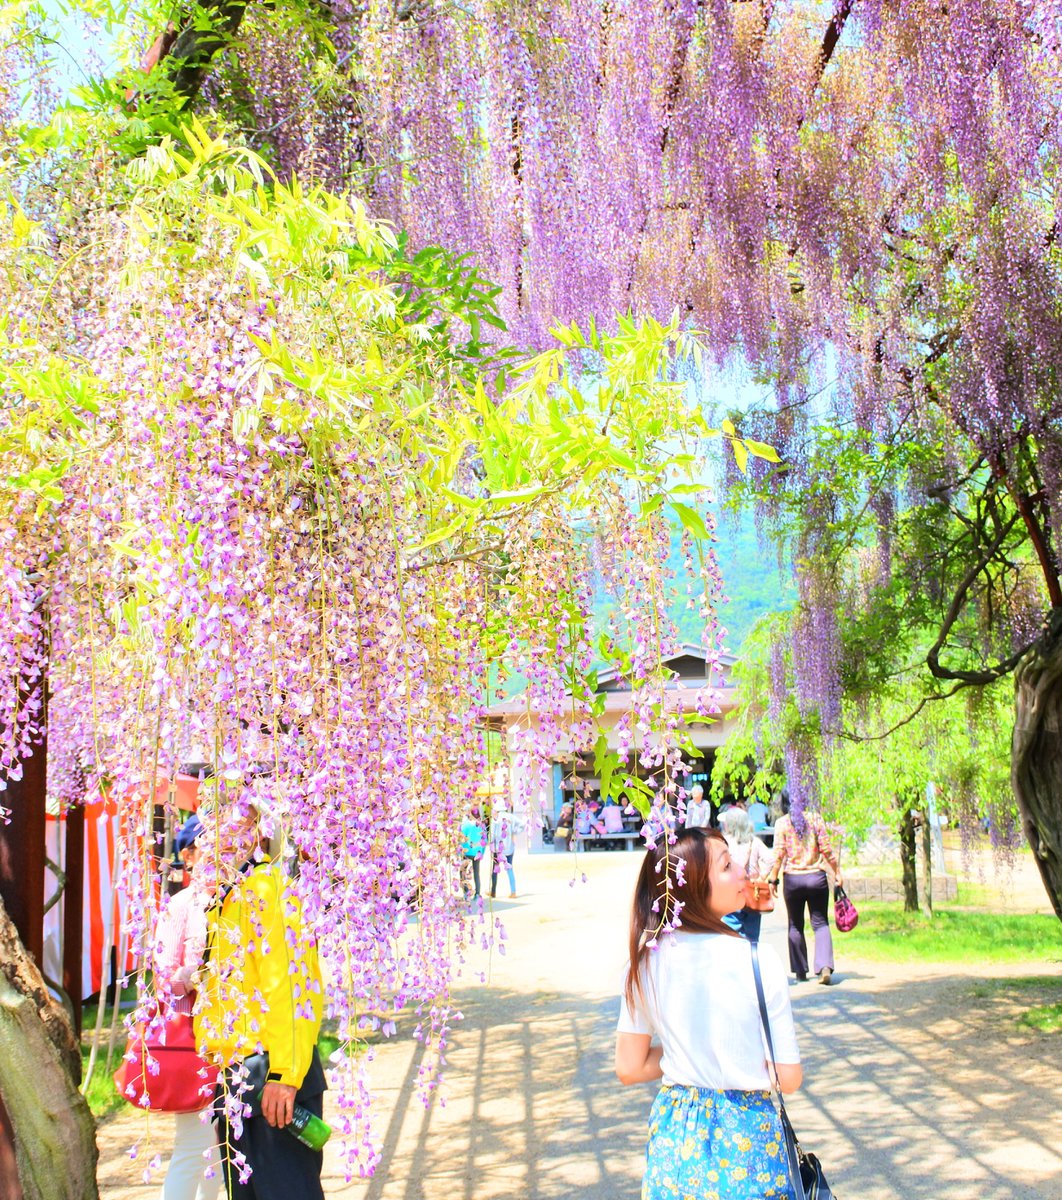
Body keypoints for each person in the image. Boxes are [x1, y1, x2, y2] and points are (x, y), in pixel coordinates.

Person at [615, 827, 801, 1200]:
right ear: (695, 888)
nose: (741, 872)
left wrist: (688, 1049)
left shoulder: (646, 961)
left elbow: (630, 1067)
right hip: (747, 1137)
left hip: (675, 1135)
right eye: (727, 865)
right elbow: (788, 1078)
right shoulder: (759, 960)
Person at [194, 800, 326, 1200]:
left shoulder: (265, 887)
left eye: (229, 823)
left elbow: (288, 987)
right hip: (237, 1079)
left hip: (268, 1075)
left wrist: (284, 1076)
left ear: (257, 830)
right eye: (209, 825)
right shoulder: (231, 894)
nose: (215, 837)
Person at [154, 814, 222, 1200]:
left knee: (218, 1146)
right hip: (193, 1038)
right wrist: (195, 974)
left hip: (231, 1035)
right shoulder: (181, 905)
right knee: (192, 1144)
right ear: (190, 855)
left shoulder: (236, 899)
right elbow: (164, 975)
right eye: (208, 845)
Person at [767, 797, 844, 985]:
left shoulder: (782, 823)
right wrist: (837, 872)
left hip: (793, 879)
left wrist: (773, 879)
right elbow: (826, 849)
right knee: (820, 922)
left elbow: (778, 855)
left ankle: (800, 970)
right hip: (816, 877)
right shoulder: (815, 819)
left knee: (795, 924)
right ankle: (824, 967)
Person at [719, 807, 775, 942]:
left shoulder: (723, 842)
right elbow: (770, 859)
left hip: (730, 891)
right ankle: (752, 958)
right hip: (752, 891)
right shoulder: (753, 841)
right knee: (752, 935)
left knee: (730, 933)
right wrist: (761, 877)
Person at [488, 806, 518, 898]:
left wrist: (490, 844)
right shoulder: (511, 817)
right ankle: (513, 892)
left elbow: (492, 836)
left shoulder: (495, 820)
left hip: (498, 849)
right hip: (509, 847)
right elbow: (515, 831)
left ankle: (493, 892)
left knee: (495, 870)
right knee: (509, 869)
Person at [459, 805, 486, 898]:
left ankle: (466, 892)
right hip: (477, 852)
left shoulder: (466, 825)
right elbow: (484, 840)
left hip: (467, 852)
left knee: (463, 872)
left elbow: (461, 837)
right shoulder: (482, 825)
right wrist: (482, 852)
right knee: (476, 873)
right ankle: (477, 894)